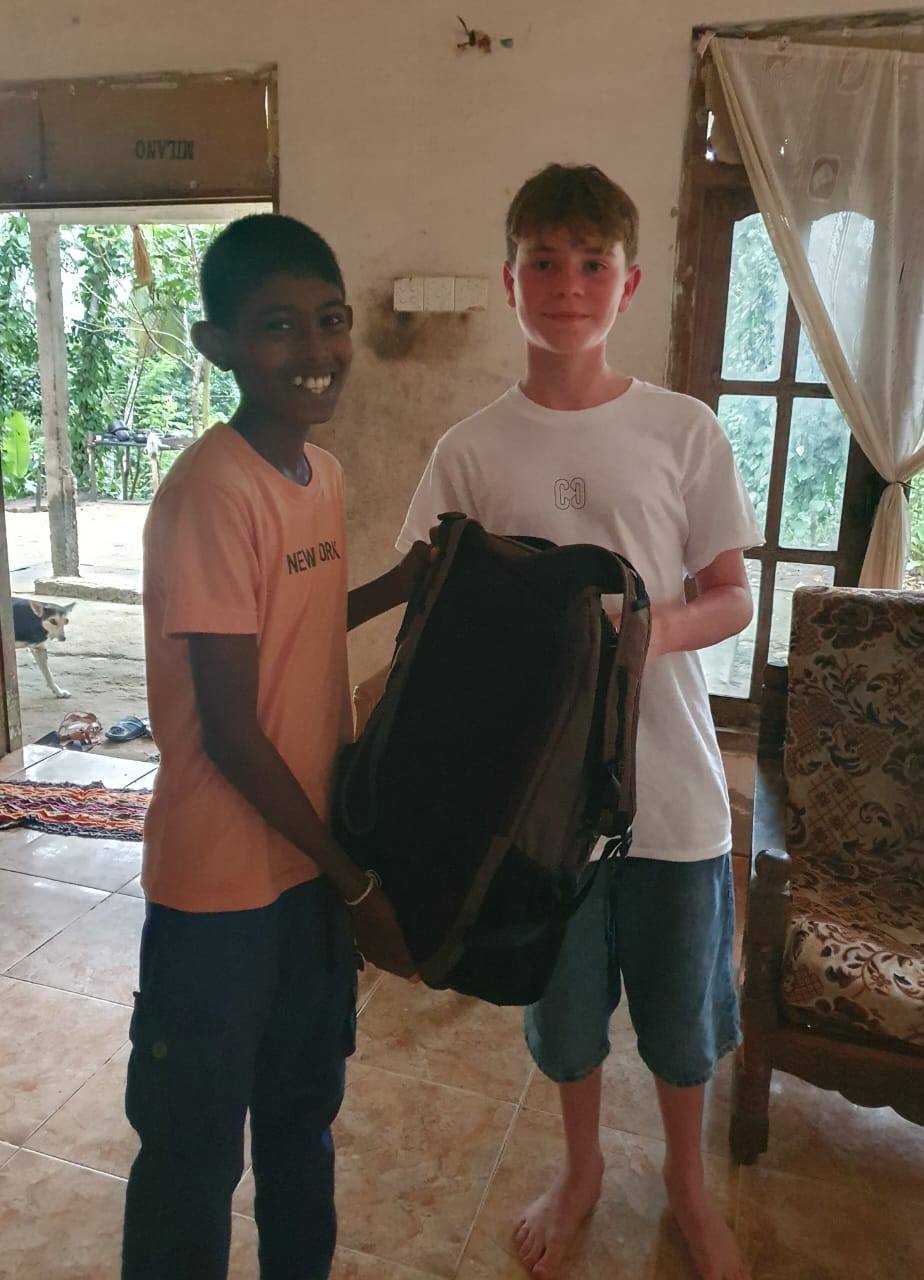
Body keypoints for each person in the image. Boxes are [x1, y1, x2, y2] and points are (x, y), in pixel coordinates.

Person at [398, 165, 761, 1280]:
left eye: (593, 264)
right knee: (563, 1013)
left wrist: (642, 631)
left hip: (674, 791)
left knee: (682, 1018)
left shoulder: (683, 429)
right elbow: (432, 611)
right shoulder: (469, 450)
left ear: (629, 283)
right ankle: (582, 1168)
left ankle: (690, 1186)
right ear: (511, 280)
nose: (568, 284)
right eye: (544, 262)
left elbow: (731, 594)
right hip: (539, 800)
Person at [122, 213, 425, 1280]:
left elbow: (296, 623)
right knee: (193, 1157)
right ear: (217, 345)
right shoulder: (211, 493)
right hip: (220, 894)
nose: (315, 350)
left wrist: (401, 586)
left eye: (330, 320)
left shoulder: (320, 475)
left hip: (304, 878)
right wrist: (356, 883)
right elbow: (231, 731)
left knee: (303, 1121)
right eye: (278, 326)